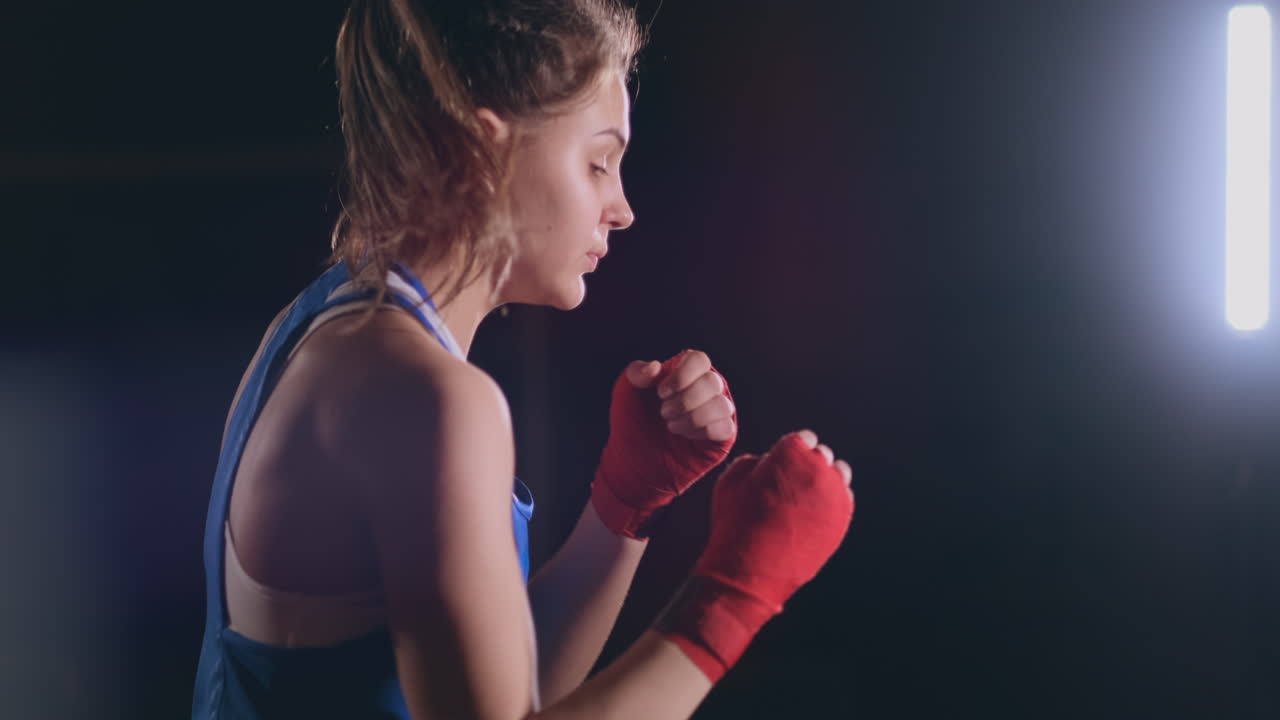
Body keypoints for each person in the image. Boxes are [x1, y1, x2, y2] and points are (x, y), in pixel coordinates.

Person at [191, 1, 855, 718]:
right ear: (484, 152)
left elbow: (494, 690)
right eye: (599, 162)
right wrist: (739, 590)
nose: (622, 207)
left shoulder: (326, 325)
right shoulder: (426, 398)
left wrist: (622, 505)